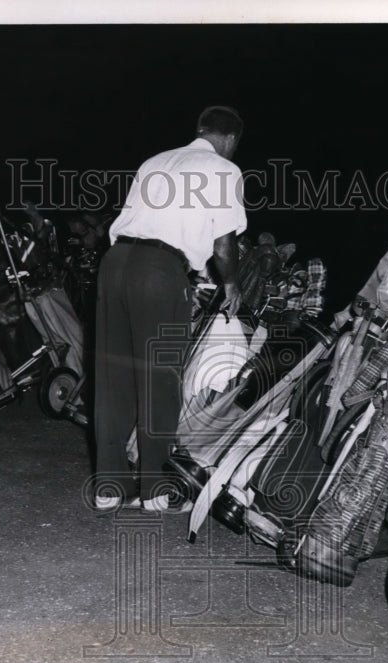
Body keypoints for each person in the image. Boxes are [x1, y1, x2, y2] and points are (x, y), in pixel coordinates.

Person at [93, 106, 247, 513]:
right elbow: (223, 243)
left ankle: (109, 488)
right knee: (159, 378)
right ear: (231, 140)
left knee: (113, 376)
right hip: (159, 271)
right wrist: (231, 282)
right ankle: (155, 491)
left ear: (200, 129)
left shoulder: (155, 161)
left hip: (115, 264)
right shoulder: (224, 170)